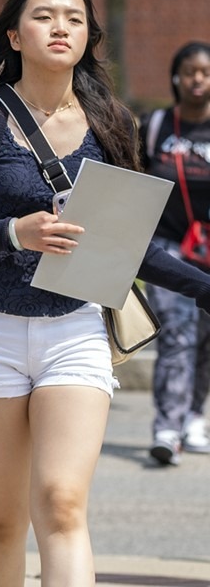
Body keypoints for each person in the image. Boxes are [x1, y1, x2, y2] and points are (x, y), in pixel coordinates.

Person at [0, 0, 210, 586]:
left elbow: (130, 248)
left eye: (74, 18)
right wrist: (11, 232)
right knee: (1, 518)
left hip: (75, 329)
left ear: (88, 38)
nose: (60, 27)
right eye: (44, 15)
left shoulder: (113, 125)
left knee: (62, 503)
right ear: (14, 36)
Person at [138, 42, 210, 464]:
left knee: (205, 337)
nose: (197, 79)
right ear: (175, 77)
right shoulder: (157, 125)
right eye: (189, 72)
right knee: (178, 333)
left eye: (205, 72)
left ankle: (194, 417)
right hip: (168, 247)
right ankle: (167, 425)